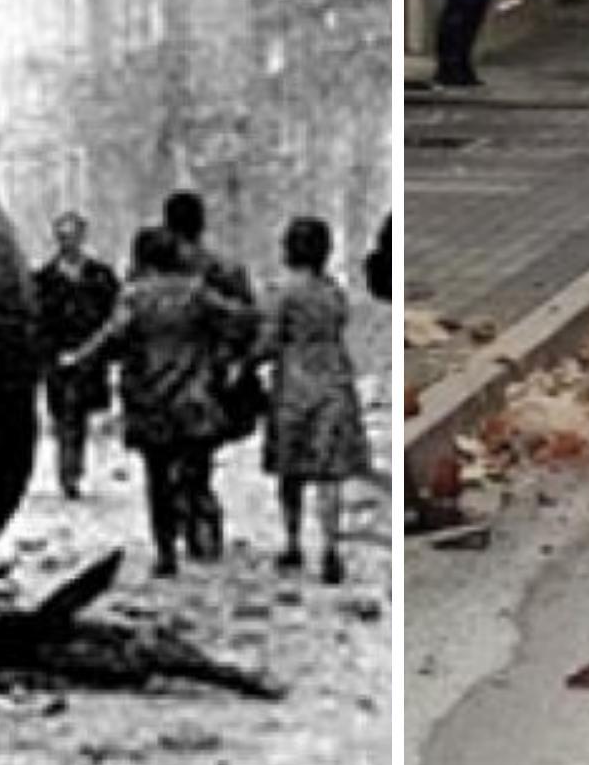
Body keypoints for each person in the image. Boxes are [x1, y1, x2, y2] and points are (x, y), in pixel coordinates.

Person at [63, 228, 254, 576]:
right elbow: (240, 319)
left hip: (151, 400)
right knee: (196, 468)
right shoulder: (197, 293)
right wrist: (222, 354)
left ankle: (165, 551)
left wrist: (77, 359)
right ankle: (200, 525)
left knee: (157, 479)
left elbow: (110, 338)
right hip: (195, 398)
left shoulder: (134, 297)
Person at [257, 216, 369, 584]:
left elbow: (269, 343)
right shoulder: (332, 291)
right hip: (334, 382)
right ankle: (330, 547)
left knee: (291, 472)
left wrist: (242, 361)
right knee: (329, 474)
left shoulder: (281, 292)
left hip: (293, 385)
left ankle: (292, 542)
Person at [163, 189, 261, 562]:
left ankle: (179, 521)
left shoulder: (152, 269)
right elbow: (246, 319)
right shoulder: (225, 267)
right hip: (208, 376)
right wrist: (233, 360)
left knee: (169, 451)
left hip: (160, 377)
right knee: (198, 452)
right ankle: (200, 517)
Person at [30, 214, 118, 501]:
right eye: (63, 236)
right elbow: (37, 319)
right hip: (58, 357)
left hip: (90, 355)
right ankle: (69, 472)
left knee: (78, 415)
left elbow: (113, 314)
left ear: (82, 238)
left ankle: (72, 469)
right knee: (66, 415)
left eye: (73, 236)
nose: (68, 242)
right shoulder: (43, 279)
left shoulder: (100, 276)